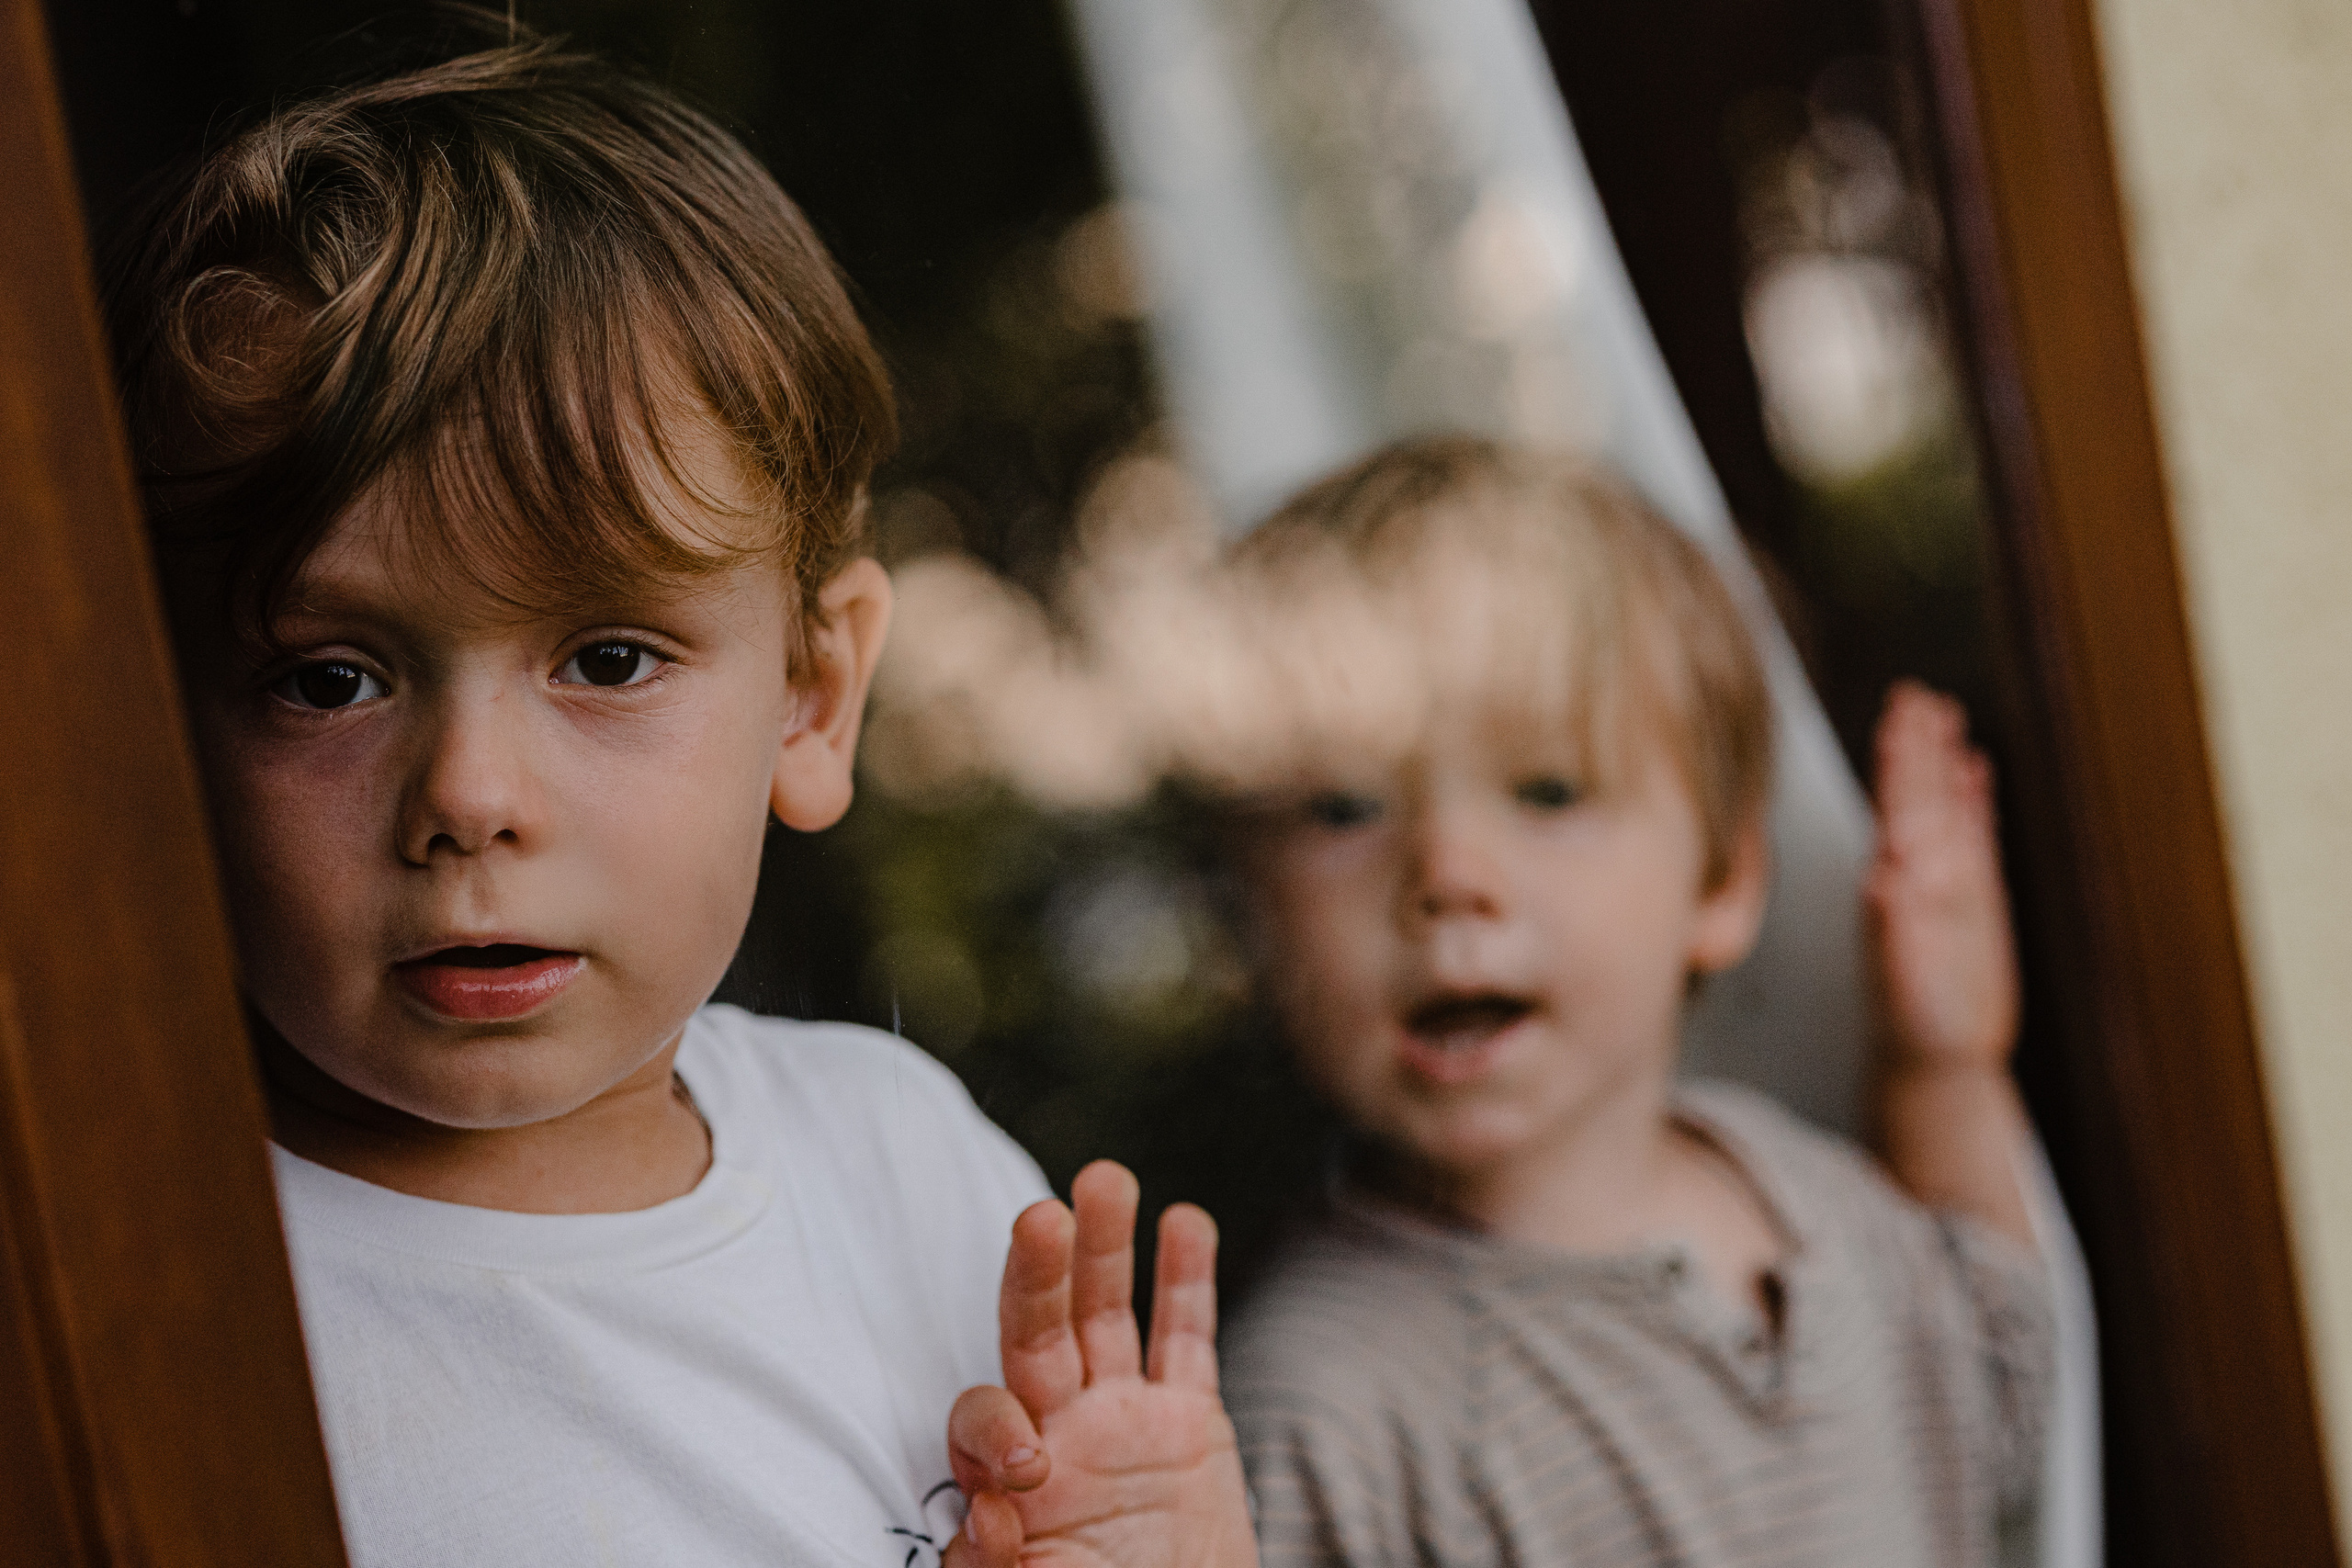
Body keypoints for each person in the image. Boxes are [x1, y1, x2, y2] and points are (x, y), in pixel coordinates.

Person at [104, 29, 1256, 1568]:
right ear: (156, 731)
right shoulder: (148, 1291)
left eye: (607, 656)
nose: (470, 797)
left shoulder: (907, 1167)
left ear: (813, 698)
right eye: (330, 679)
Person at [1214, 437, 2052, 1567]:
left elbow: (2006, 1387)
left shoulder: (1814, 1201)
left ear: (1721, 881)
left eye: (1547, 789)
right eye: (1345, 807)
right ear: (1252, 906)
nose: (1448, 870)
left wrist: (1943, 1068)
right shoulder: (1318, 1406)